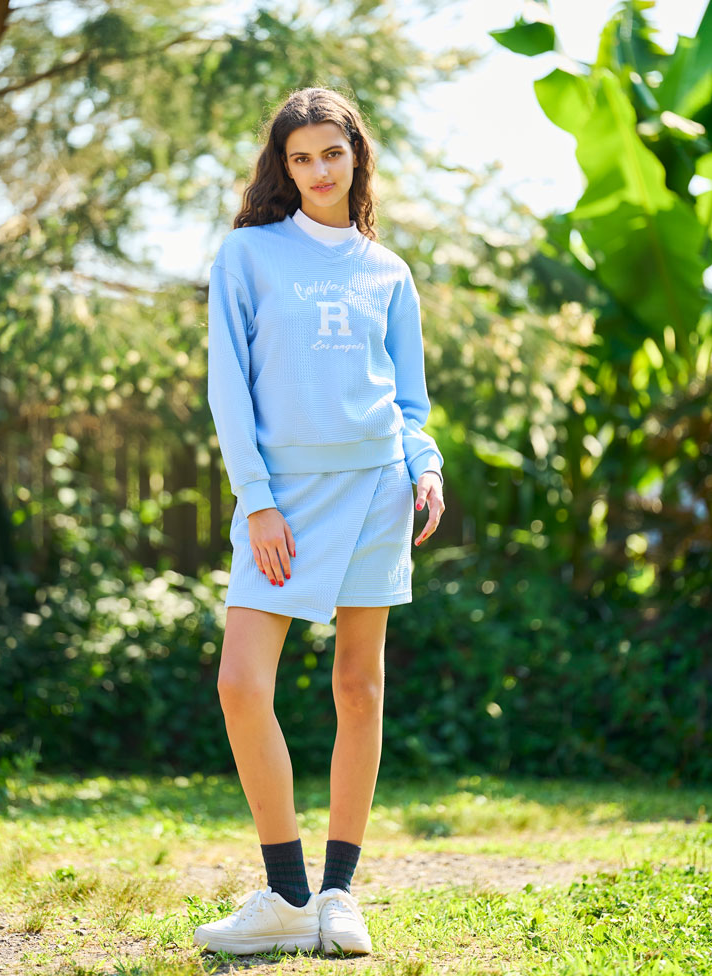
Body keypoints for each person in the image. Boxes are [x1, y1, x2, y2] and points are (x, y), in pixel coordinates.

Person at [194, 86, 445, 958]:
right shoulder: (248, 254)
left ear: (355, 155)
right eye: (300, 158)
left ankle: (338, 894)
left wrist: (426, 465)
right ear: (284, 167)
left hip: (378, 488)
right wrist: (257, 498)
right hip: (282, 499)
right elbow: (228, 386)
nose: (318, 171)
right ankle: (287, 895)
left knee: (359, 688)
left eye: (332, 153)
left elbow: (409, 401)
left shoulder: (389, 272)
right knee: (241, 684)